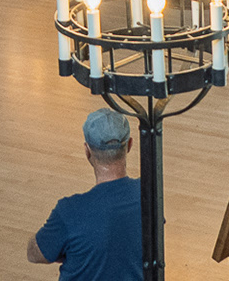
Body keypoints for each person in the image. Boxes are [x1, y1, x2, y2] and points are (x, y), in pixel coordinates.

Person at [27, 110, 143, 281]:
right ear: (130, 145)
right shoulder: (148, 194)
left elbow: (35, 254)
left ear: (87, 150)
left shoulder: (68, 211)